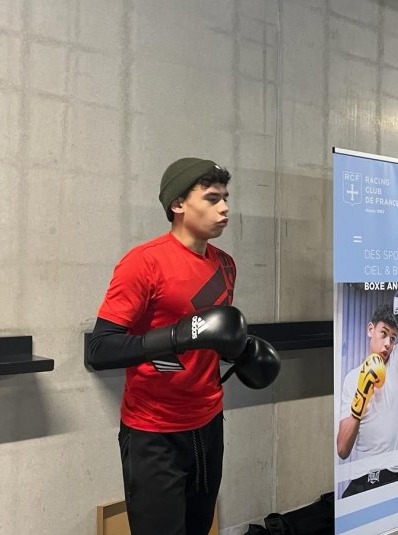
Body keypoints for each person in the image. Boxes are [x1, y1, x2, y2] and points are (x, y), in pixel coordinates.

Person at [87, 158, 275, 535]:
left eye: (225, 197)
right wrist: (176, 336)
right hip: (154, 432)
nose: (224, 208)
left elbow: (209, 337)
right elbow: (101, 349)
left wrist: (240, 351)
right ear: (177, 205)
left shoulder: (225, 265)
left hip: (208, 424)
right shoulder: (144, 263)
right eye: (210, 198)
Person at [336, 291, 398, 497]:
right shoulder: (351, 378)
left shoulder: (397, 357)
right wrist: (361, 399)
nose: (388, 344)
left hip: (392, 475)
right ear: (370, 329)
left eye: (393, 338)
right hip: (360, 478)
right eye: (383, 334)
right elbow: (342, 449)